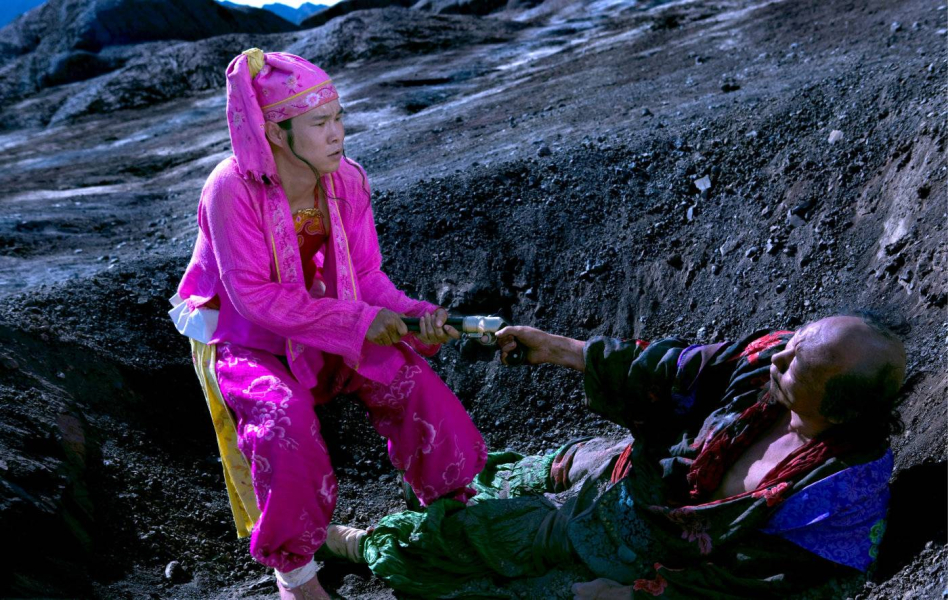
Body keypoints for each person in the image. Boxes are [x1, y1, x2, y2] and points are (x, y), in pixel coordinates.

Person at [169, 48, 487, 599]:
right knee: (282, 421)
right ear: (275, 132)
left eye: (338, 117)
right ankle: (295, 575)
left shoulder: (348, 181)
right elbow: (252, 296)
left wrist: (414, 318)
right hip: (246, 337)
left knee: (411, 381)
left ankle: (453, 515)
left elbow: (365, 276)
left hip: (324, 320)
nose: (337, 133)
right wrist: (361, 320)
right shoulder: (230, 188)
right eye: (320, 123)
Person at [324, 314, 905, 599]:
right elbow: (673, 368)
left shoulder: (835, 499)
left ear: (838, 406)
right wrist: (558, 349)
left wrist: (634, 595)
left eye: (797, 366)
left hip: (642, 557)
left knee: (463, 546)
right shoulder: (764, 363)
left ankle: (355, 543)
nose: (778, 358)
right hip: (630, 472)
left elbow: (760, 585)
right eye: (791, 344)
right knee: (488, 479)